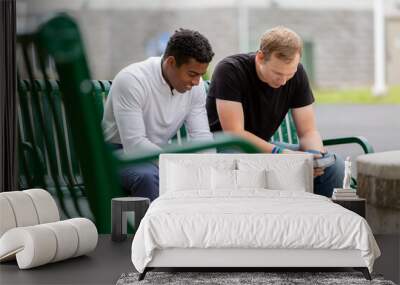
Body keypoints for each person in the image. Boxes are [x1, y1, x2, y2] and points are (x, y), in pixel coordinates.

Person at [206, 26, 344, 197]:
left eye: (290, 74)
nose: (284, 81)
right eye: (277, 73)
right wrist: (281, 155)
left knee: (334, 166)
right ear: (260, 57)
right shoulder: (230, 70)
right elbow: (235, 134)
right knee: (245, 163)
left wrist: (314, 157)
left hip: (267, 148)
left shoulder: (298, 74)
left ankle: (321, 219)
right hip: (228, 148)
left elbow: (308, 131)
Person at [102, 28, 215, 201]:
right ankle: (156, 228)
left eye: (200, 75)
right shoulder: (132, 80)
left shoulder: (195, 87)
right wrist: (180, 166)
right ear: (170, 62)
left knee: (205, 172)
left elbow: (201, 136)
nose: (196, 82)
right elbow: (135, 145)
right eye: (192, 74)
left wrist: (210, 168)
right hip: (117, 155)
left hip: (157, 153)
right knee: (149, 177)